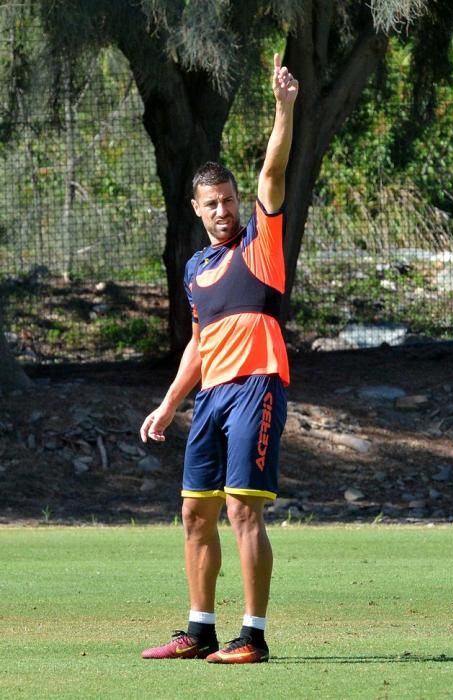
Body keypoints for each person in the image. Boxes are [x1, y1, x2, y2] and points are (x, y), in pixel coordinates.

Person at [139, 53, 298, 664]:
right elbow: (199, 346)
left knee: (241, 510)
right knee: (193, 513)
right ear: (197, 210)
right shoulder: (195, 269)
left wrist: (283, 109)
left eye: (229, 199)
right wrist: (168, 403)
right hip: (210, 397)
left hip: (255, 387)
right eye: (213, 204)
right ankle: (198, 629)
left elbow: (273, 172)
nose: (225, 210)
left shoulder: (260, 245)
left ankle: (252, 637)